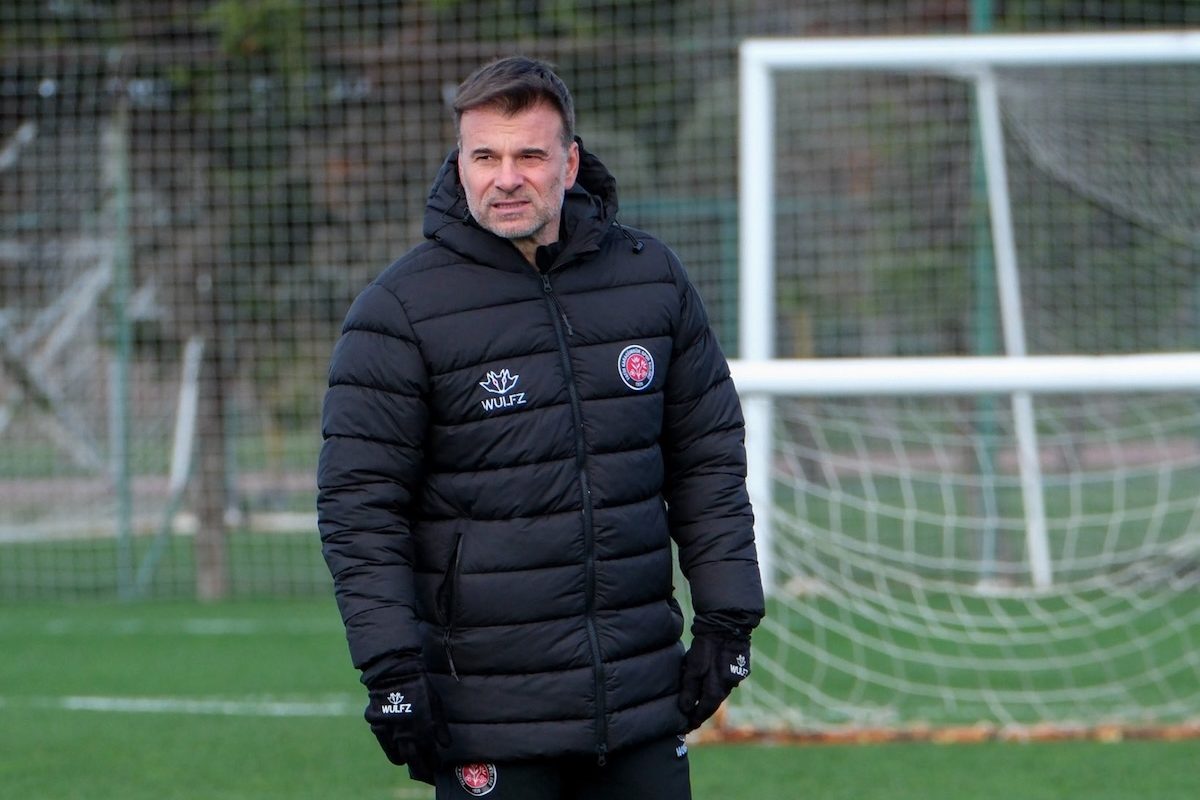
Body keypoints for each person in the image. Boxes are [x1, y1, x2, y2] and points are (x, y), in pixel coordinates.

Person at [317, 56, 765, 800]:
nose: (506, 178)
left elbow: (707, 462)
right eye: (484, 157)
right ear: (459, 163)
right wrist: (391, 668)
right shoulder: (398, 312)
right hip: (488, 715)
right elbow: (360, 509)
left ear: (570, 162)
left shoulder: (651, 280)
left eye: (529, 155)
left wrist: (727, 618)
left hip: (638, 700)